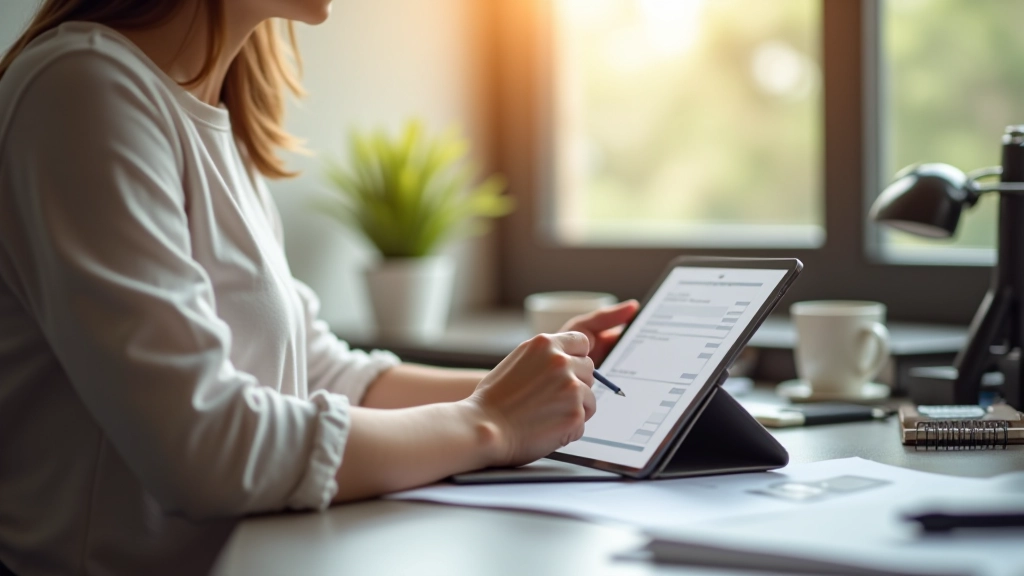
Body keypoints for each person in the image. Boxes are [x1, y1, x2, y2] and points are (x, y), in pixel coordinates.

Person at [0, 1, 640, 574]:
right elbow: (203, 448)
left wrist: (541, 383)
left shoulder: (214, 119)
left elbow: (314, 371)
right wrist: (488, 424)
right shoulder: (83, 87)